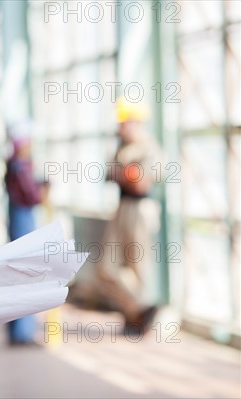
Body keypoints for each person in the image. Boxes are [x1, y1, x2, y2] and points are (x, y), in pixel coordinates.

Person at [95, 98, 161, 336]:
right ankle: (138, 310)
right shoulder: (121, 147)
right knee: (106, 268)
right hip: (122, 207)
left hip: (140, 210)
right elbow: (111, 175)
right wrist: (126, 174)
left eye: (123, 123)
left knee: (137, 267)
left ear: (135, 122)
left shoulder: (149, 148)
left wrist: (122, 174)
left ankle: (135, 317)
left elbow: (140, 184)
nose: (120, 128)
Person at [4, 120, 49, 346]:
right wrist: (43, 189)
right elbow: (33, 197)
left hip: (18, 221)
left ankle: (19, 330)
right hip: (23, 223)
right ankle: (22, 333)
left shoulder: (14, 165)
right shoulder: (20, 167)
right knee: (26, 275)